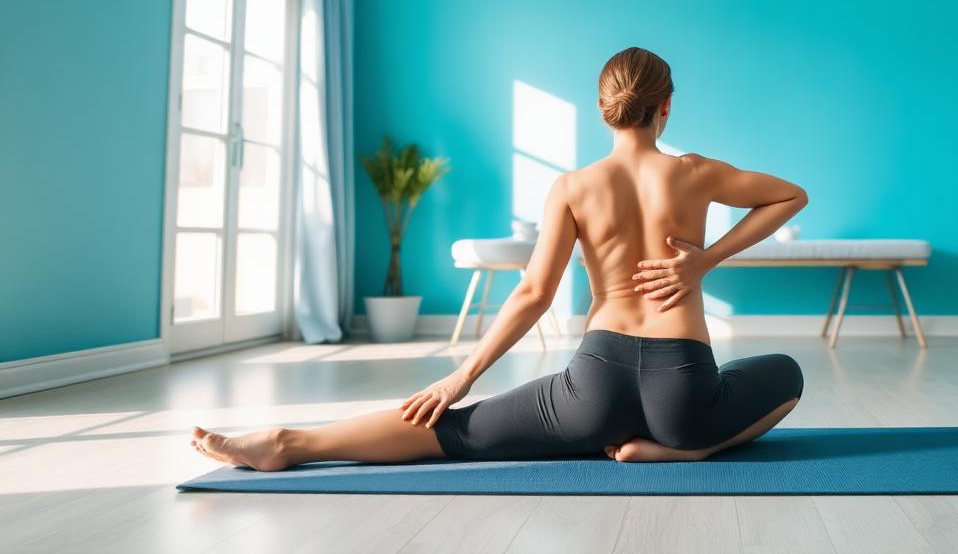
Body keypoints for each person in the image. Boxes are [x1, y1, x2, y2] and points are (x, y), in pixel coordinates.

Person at [191, 47, 807, 470]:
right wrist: (704, 261)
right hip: (684, 393)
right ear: (666, 106)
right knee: (785, 372)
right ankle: (690, 452)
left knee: (453, 431)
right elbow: (790, 196)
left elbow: (534, 293)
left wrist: (460, 377)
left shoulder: (572, 186)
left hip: (593, 384)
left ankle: (286, 443)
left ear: (603, 109)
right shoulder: (696, 172)